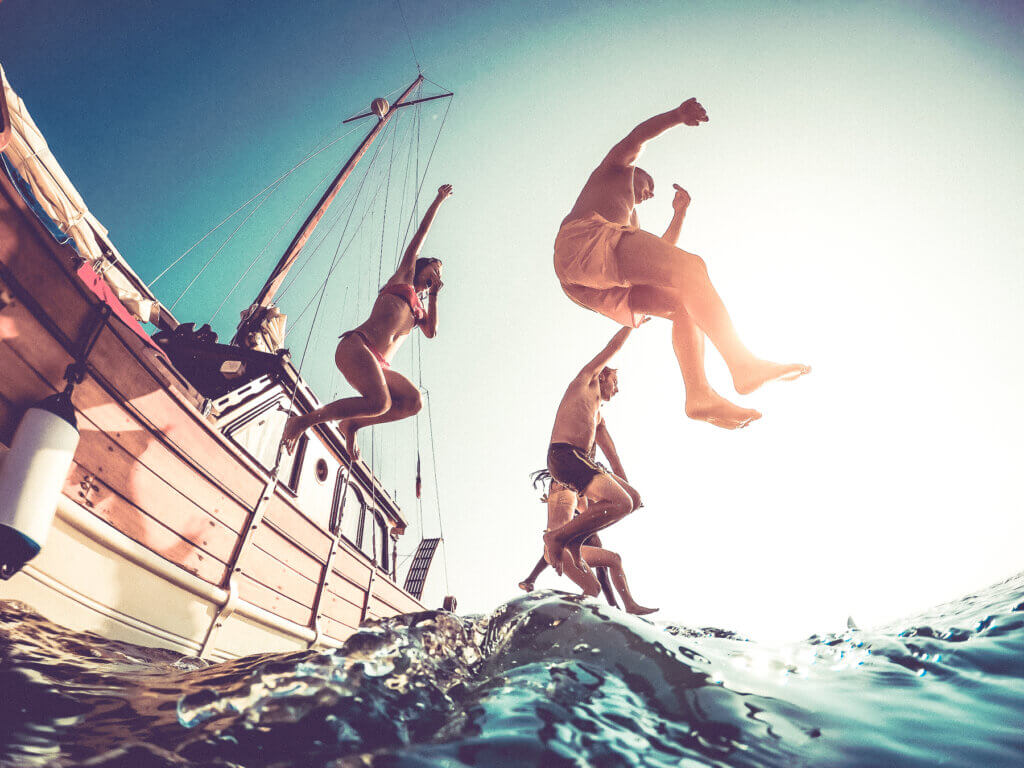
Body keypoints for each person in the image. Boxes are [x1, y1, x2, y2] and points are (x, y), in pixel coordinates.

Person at [553, 98, 809, 429]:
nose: (650, 194)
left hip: (589, 282)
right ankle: (742, 364)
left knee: (683, 303)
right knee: (693, 267)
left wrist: (680, 214)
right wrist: (677, 116)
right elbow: (638, 136)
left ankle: (699, 394)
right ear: (637, 172)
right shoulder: (615, 169)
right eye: (649, 186)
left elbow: (657, 257)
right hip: (582, 242)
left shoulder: (629, 222)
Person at [282, 184, 453, 456]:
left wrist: (433, 297)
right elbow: (420, 235)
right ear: (424, 266)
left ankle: (351, 424)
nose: (438, 272)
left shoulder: (420, 310)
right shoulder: (404, 276)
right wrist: (439, 200)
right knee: (380, 402)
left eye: (441, 271)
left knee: (413, 401)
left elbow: (432, 332)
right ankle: (303, 421)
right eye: (436, 267)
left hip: (380, 363)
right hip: (357, 346)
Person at [542, 326, 645, 578]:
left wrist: (627, 487)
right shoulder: (585, 381)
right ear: (603, 377)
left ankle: (576, 539)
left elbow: (612, 455)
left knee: (631, 499)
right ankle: (557, 538)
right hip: (564, 455)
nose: (617, 389)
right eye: (615, 382)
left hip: (580, 462)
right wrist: (633, 323)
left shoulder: (598, 415)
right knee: (622, 502)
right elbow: (613, 347)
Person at [522, 467, 657, 615]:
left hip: (565, 547)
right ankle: (567, 619)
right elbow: (587, 505)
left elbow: (590, 509)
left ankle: (630, 606)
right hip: (559, 547)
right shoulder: (560, 483)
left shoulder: (573, 491)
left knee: (614, 560)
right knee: (593, 588)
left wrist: (625, 501)